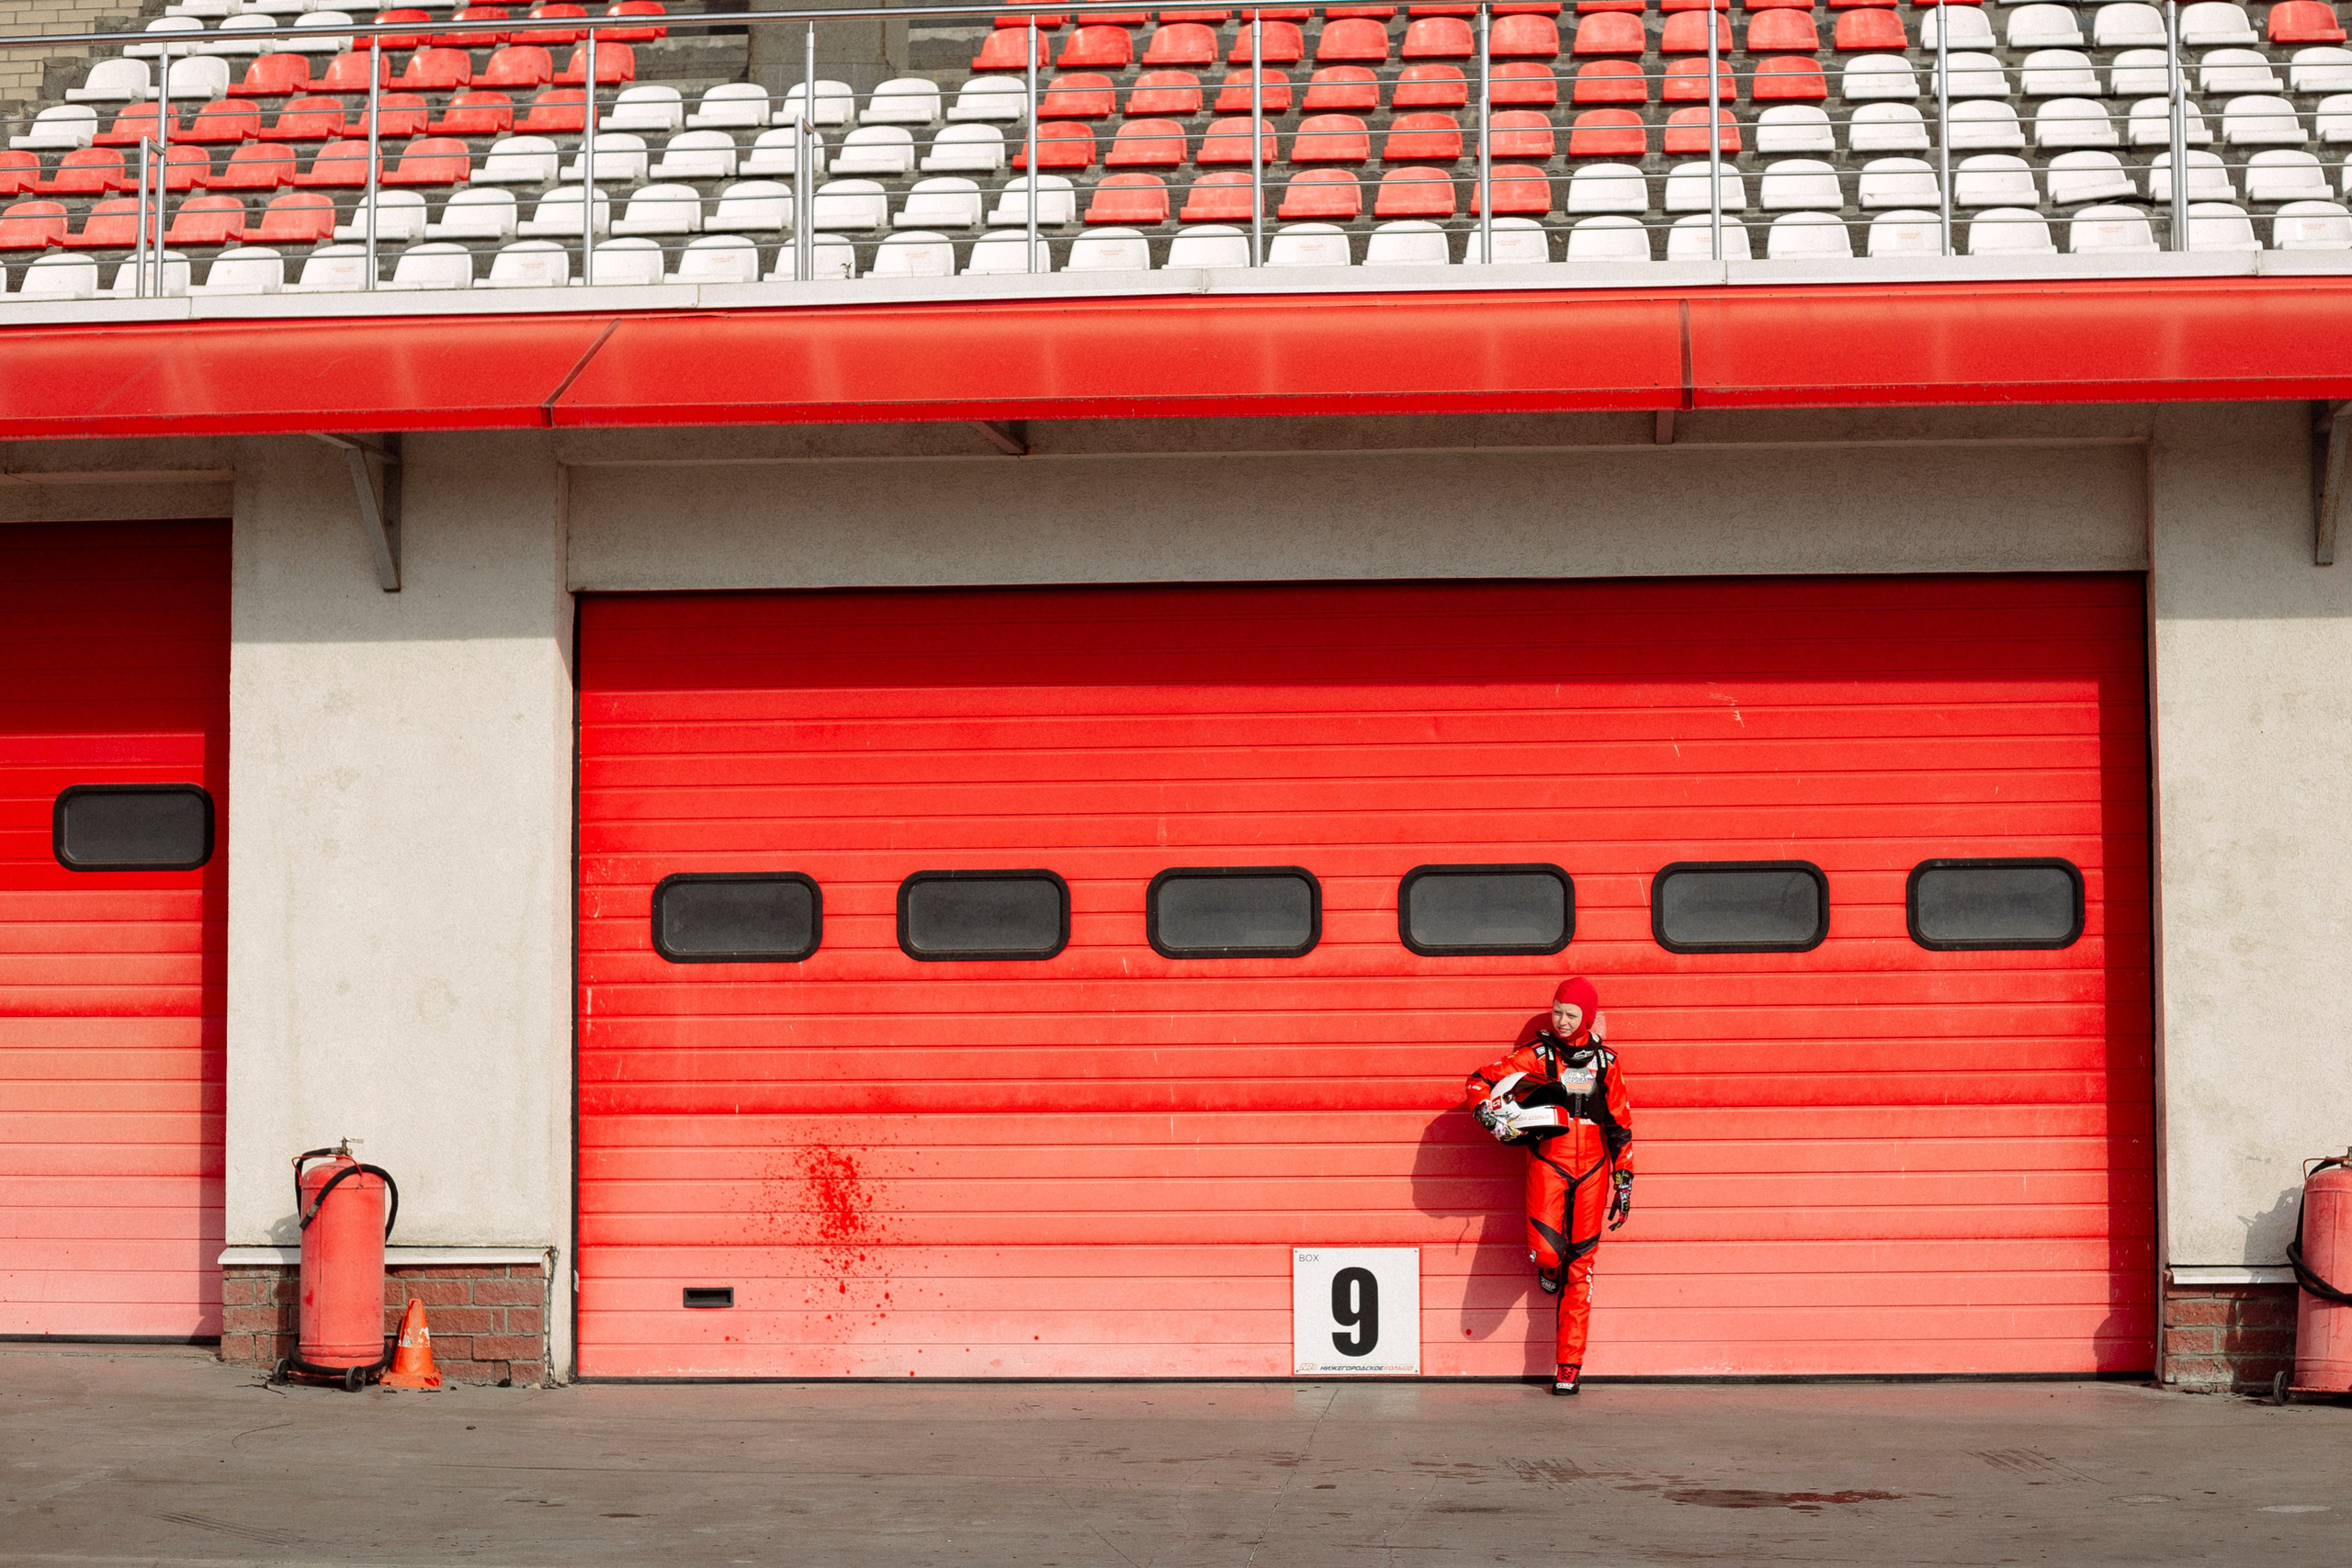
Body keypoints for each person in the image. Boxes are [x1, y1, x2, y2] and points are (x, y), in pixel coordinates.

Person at [1464, 976, 1634, 1396]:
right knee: (1546, 1254)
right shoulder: (1537, 1056)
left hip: (1594, 1170)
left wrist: (1624, 1180)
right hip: (1547, 1164)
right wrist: (1486, 1114)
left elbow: (1622, 1127)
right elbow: (1480, 1079)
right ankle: (1548, 1267)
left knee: (1581, 1268)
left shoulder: (1608, 1063)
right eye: (1557, 1011)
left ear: (1587, 1017)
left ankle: (1569, 1368)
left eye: (1571, 1014)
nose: (1561, 1020)